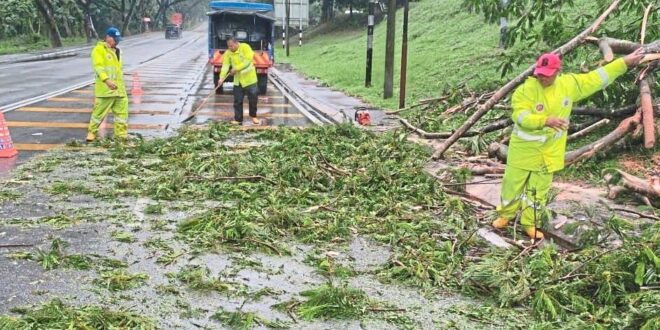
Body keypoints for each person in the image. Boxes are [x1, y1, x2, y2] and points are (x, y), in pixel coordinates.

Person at [492, 49, 645, 240]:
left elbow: (595, 78)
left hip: (548, 153)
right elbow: (520, 116)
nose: (543, 78)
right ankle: (505, 215)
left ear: (558, 72)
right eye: (540, 74)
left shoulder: (568, 85)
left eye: (548, 75)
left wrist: (624, 63)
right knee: (512, 185)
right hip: (523, 151)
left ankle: (529, 223)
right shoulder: (525, 90)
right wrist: (544, 121)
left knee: (538, 191)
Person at [86, 27, 128, 142]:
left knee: (122, 115)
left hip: (119, 90)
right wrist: (107, 81)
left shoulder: (117, 51)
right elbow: (98, 68)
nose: (117, 41)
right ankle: (91, 133)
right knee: (98, 114)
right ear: (108, 38)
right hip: (105, 91)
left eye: (118, 39)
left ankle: (121, 135)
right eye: (115, 39)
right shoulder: (99, 50)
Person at [217, 37, 260, 125]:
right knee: (237, 101)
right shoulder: (228, 53)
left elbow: (247, 61)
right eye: (229, 47)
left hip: (250, 80)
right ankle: (238, 119)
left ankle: (254, 116)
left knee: (253, 99)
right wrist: (221, 78)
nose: (230, 48)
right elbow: (225, 65)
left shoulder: (245, 47)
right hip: (238, 81)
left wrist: (236, 69)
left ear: (237, 43)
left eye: (232, 46)